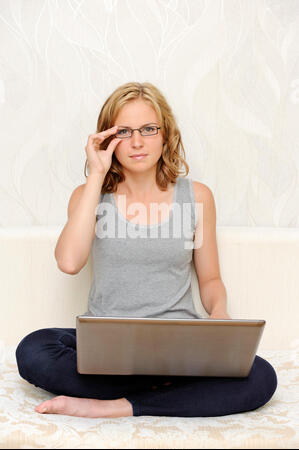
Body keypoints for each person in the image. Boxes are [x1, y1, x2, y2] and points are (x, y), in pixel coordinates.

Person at [15, 82, 277, 418]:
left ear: (165, 134)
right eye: (124, 131)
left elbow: (210, 279)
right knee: (34, 350)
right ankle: (169, 393)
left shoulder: (197, 197)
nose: (137, 142)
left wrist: (219, 317)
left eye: (149, 129)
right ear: (108, 139)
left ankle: (116, 406)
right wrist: (97, 174)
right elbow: (68, 262)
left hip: (178, 350)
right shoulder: (88, 195)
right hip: (107, 351)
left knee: (261, 376)